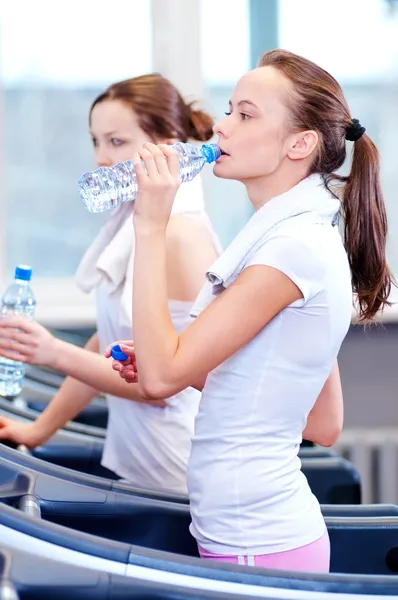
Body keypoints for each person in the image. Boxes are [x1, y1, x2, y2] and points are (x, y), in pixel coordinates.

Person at [108, 49, 392, 572]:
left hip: (259, 542)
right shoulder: (291, 237)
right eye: (228, 111)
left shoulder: (292, 248)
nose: (222, 126)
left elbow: (159, 378)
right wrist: (187, 368)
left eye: (245, 114)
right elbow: (316, 417)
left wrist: (150, 224)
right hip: (256, 535)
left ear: (299, 144)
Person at [0, 74, 220, 494]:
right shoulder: (138, 225)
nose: (101, 158)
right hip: (142, 467)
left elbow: (161, 383)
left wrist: (51, 352)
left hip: (176, 472)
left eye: (116, 142)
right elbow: (115, 341)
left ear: (169, 144)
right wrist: (39, 430)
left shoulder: (179, 237)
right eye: (96, 141)